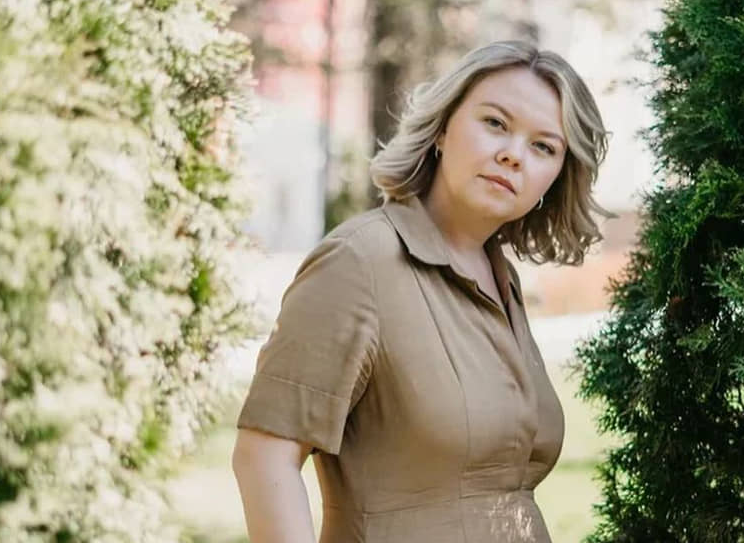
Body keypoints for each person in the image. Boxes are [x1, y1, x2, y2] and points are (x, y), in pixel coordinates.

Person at [231, 39, 611, 543]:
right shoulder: (358, 261)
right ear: (442, 129)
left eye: (543, 147)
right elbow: (264, 456)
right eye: (495, 123)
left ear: (557, 177)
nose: (512, 155)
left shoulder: (502, 280)